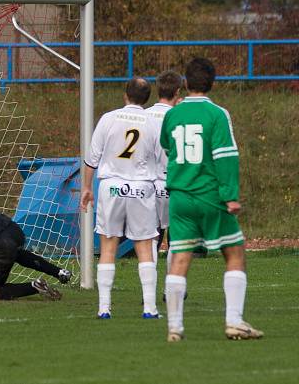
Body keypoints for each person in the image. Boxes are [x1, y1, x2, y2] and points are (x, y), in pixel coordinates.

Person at [160, 58, 263, 341]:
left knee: (180, 257)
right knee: (234, 252)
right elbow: (226, 156)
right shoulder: (217, 114)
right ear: (212, 83)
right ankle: (234, 321)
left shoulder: (172, 114)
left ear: (185, 83)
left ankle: (175, 328)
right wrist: (230, 196)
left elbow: (166, 145)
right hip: (209, 196)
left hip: (179, 197)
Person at [80, 77, 161, 319]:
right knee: (145, 247)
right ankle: (149, 308)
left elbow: (92, 158)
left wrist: (86, 187)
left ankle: (104, 308)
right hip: (141, 188)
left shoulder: (109, 118)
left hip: (111, 187)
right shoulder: (153, 122)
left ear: (126, 95)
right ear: (147, 98)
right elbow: (162, 158)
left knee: (108, 246)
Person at [146, 70, 183, 269]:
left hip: (149, 185)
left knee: (152, 238)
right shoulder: (181, 116)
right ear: (178, 91)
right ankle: (172, 288)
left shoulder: (143, 116)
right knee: (176, 237)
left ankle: (148, 291)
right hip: (174, 184)